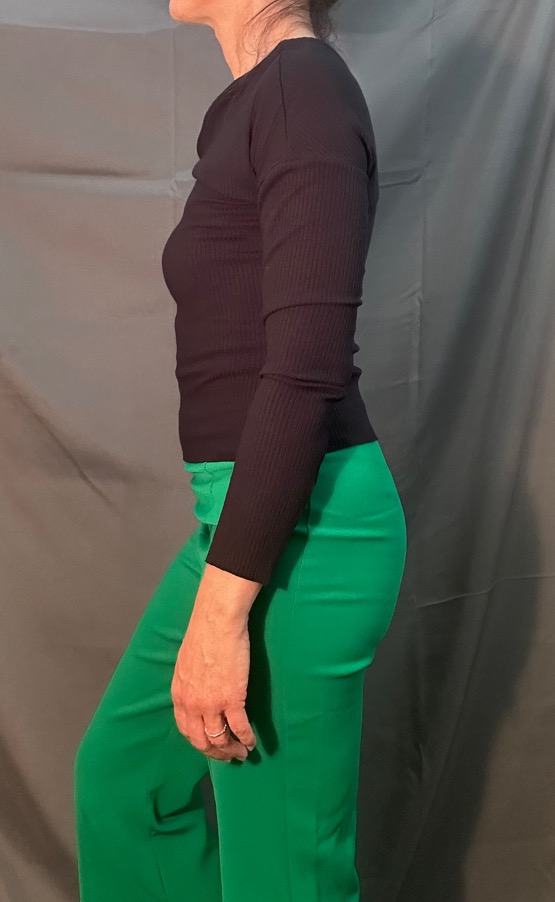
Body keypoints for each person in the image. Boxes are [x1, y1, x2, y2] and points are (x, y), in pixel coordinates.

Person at [73, 2, 408, 900]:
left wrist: (222, 618)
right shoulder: (257, 100)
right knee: (126, 789)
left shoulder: (303, 90)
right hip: (242, 514)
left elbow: (305, 369)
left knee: (280, 880)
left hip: (307, 527)